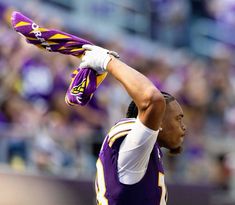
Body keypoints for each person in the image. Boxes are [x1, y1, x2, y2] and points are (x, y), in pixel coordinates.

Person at [80, 44, 186, 205]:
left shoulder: (147, 151)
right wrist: (107, 61)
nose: (183, 126)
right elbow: (153, 99)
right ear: (159, 121)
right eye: (178, 119)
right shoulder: (135, 145)